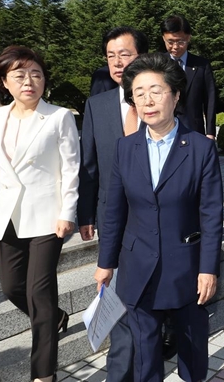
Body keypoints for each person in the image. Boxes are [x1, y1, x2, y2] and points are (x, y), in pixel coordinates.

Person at [94, 52, 223, 382]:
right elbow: (114, 211)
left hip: (186, 268)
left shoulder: (199, 148)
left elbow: (210, 214)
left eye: (156, 90)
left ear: (176, 95)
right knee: (144, 354)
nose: (147, 100)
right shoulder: (126, 149)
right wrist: (105, 262)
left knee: (192, 350)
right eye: (139, 93)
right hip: (138, 270)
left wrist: (208, 268)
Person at [0, 45, 80, 382]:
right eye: (19, 75)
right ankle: (57, 317)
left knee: (39, 293)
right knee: (11, 288)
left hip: (47, 217)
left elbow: (71, 168)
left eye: (36, 74)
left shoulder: (59, 116)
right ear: (4, 82)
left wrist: (67, 212)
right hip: (6, 217)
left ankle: (43, 374)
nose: (29, 82)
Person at [77, 26, 149, 382]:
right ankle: (120, 373)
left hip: (154, 221)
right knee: (117, 298)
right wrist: (85, 213)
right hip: (112, 219)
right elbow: (88, 165)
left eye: (126, 54)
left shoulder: (159, 99)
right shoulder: (97, 105)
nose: (118, 62)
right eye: (111, 56)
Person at [161, 15, 217, 139]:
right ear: (163, 38)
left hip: (193, 129)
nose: (175, 47)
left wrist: (210, 132)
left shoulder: (201, 65)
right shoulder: (157, 63)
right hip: (162, 129)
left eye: (180, 42)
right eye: (170, 42)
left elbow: (210, 100)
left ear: (188, 38)